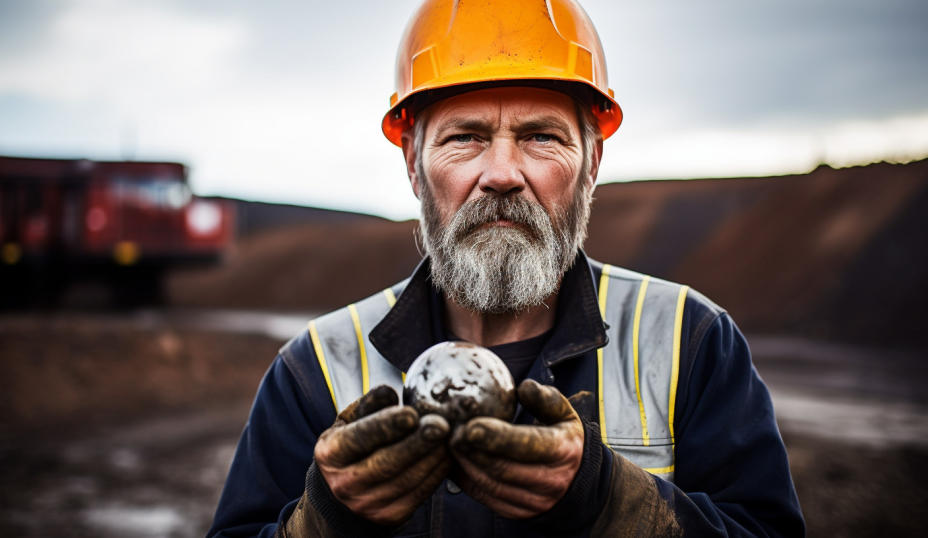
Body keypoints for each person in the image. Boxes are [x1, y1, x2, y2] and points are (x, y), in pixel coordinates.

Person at [208, 0, 805, 536]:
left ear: (591, 163)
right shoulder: (314, 367)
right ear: (415, 169)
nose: (501, 172)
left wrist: (602, 499)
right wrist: (328, 522)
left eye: (541, 136)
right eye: (465, 138)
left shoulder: (690, 342)